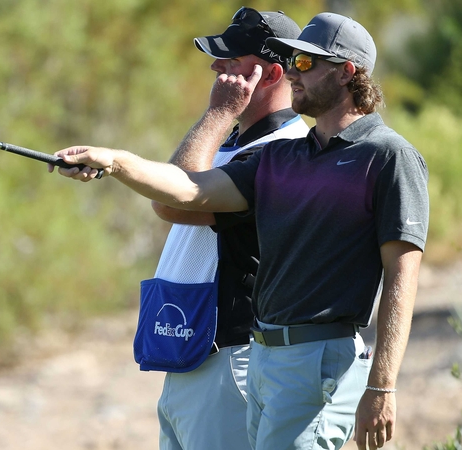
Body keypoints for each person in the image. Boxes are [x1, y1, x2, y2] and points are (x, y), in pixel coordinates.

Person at [49, 12, 429, 450]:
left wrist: (382, 388)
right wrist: (114, 162)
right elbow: (188, 191)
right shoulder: (281, 157)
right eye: (290, 61)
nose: (292, 74)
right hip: (265, 357)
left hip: (319, 358)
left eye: (305, 63)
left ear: (348, 73)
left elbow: (403, 275)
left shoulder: (389, 156)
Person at [141, 8, 307, 450]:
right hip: (191, 354)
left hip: (230, 359)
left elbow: (172, 199)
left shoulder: (284, 152)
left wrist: (218, 112)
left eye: (232, 62)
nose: (216, 67)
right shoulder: (237, 142)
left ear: (271, 74)